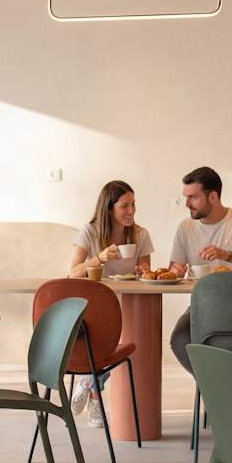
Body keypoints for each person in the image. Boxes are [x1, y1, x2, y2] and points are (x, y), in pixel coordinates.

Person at [167, 167, 232, 375]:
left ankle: (223, 386)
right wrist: (175, 271)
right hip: (203, 305)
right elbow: (173, 269)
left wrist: (228, 255)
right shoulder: (185, 228)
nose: (187, 204)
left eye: (193, 197)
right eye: (186, 197)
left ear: (213, 197)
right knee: (180, 339)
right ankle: (214, 385)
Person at [66, 180, 154, 427]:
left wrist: (143, 270)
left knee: (127, 337)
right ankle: (95, 396)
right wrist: (100, 257)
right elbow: (72, 272)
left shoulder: (140, 234)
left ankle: (88, 384)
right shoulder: (90, 232)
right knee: (107, 338)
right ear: (109, 208)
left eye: (133, 205)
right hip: (94, 305)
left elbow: (146, 272)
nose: (131, 211)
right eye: (125, 205)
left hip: (127, 303)